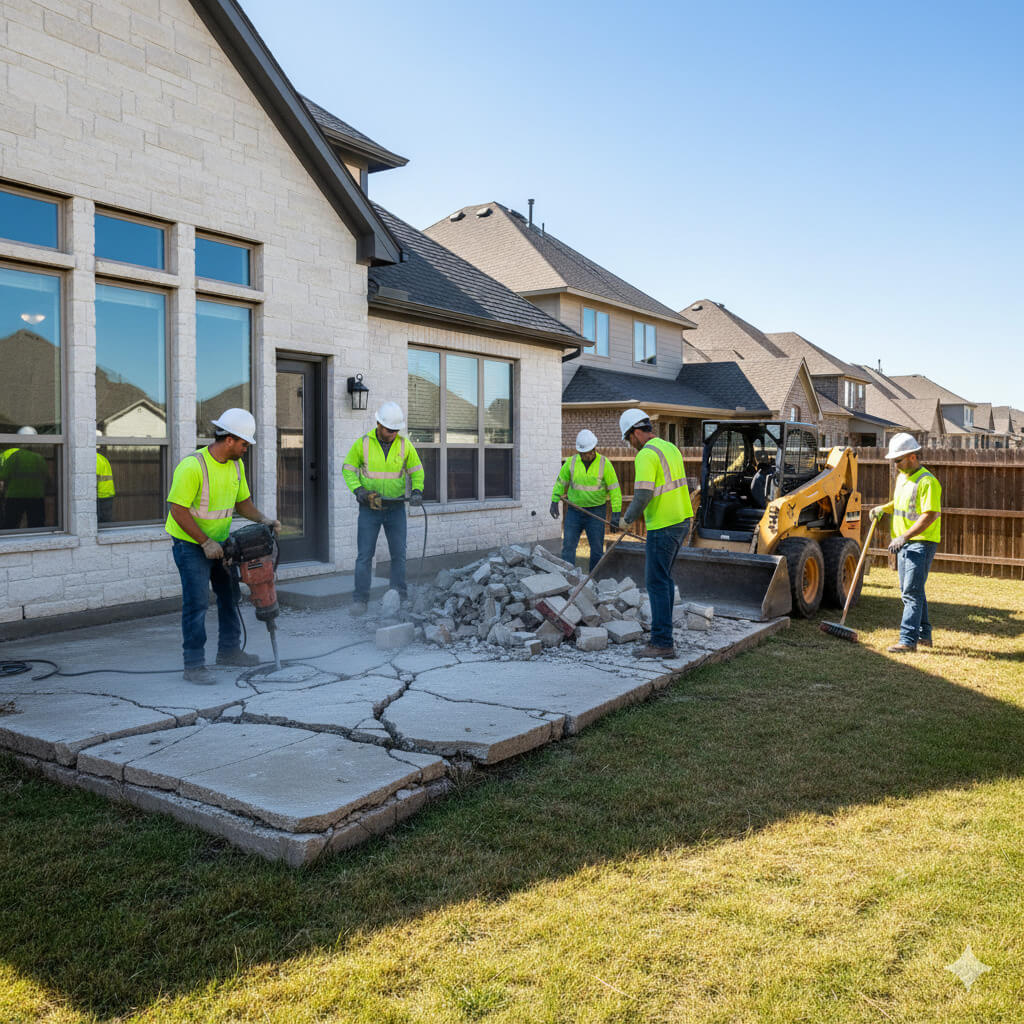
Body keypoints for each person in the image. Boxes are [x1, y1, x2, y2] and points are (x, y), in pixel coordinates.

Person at [165, 408, 280, 684]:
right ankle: (193, 665)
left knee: (230, 596)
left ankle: (228, 651)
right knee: (198, 602)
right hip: (191, 544)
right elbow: (177, 510)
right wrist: (204, 542)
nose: (246, 449)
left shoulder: (236, 466)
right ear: (229, 439)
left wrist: (264, 518)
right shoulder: (193, 466)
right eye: (244, 443)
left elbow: (242, 503)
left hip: (221, 544)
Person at [620, 409, 693, 659]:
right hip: (681, 519)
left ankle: (662, 642)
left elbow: (642, 494)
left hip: (663, 525)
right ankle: (664, 637)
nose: (630, 446)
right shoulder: (669, 447)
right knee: (664, 580)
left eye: (629, 439)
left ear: (636, 432)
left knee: (656, 582)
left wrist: (626, 519)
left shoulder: (645, 455)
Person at [342, 401, 424, 615]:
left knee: (399, 554)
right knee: (364, 556)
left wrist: (417, 490)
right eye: (389, 430)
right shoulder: (363, 444)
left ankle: (398, 595)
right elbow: (348, 469)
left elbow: (417, 470)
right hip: (370, 508)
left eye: (396, 430)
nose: (392, 434)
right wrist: (358, 490)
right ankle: (360, 600)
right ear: (378, 424)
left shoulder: (405, 445)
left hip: (395, 508)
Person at [869, 432, 941, 653]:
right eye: (894, 461)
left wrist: (904, 536)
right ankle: (924, 636)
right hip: (903, 543)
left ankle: (908, 641)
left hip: (921, 543)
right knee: (913, 590)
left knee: (911, 592)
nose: (896, 465)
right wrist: (884, 508)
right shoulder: (902, 478)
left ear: (911, 456)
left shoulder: (927, 481)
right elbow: (900, 503)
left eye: (898, 460)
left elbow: (930, 515)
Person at [550, 429, 622, 571]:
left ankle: (593, 579)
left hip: (596, 512)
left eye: (587, 452)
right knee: (568, 546)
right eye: (582, 453)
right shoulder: (571, 462)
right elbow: (560, 483)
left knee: (596, 549)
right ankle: (567, 576)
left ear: (594, 449)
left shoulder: (604, 464)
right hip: (574, 511)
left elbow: (615, 490)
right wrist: (554, 501)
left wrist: (616, 513)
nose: (584, 456)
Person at [0, 426, 48, 529]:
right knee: (37, 526)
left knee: (10, 525)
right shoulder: (39, 458)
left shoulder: (14, 457)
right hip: (36, 497)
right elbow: (47, 479)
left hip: (15, 497)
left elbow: (3, 476)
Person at [96, 449, 115, 524]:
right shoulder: (103, 458)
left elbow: (93, 480)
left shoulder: (94, 459)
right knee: (106, 521)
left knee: (100, 522)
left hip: (100, 495)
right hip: (108, 493)